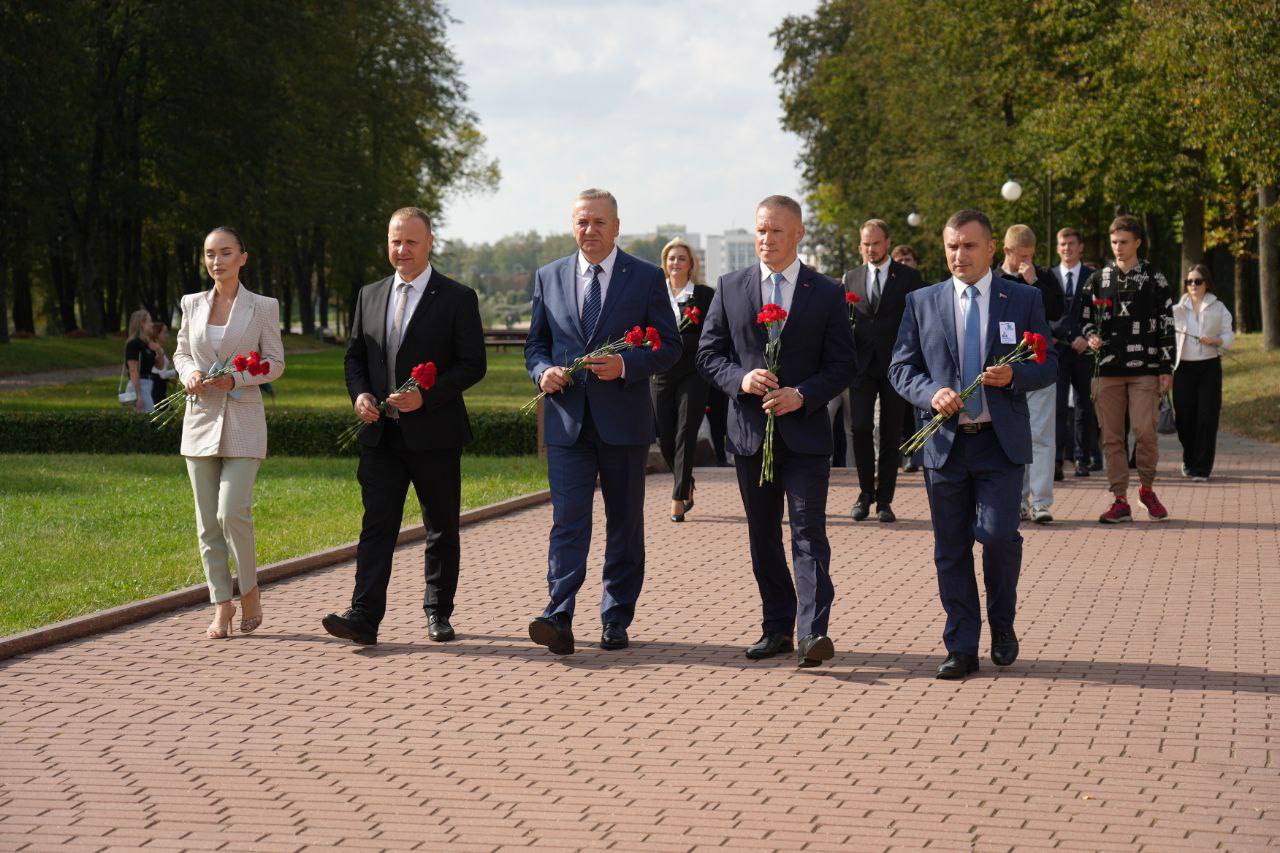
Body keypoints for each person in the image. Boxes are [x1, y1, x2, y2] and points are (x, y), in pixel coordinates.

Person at [890, 209, 1057, 680]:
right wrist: (930, 393)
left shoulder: (1022, 299)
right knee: (951, 547)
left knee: (999, 535)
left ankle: (1002, 625)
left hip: (998, 444)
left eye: (967, 246)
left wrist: (1015, 375)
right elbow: (901, 368)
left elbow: (1048, 363)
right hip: (944, 446)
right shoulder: (922, 301)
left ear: (989, 250)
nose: (958, 255)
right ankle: (962, 645)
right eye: (951, 246)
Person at [696, 195, 856, 668]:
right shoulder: (730, 286)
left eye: (776, 231)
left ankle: (813, 633)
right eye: (761, 231)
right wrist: (740, 380)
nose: (766, 240)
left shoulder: (825, 291)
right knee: (762, 537)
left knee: (808, 534)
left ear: (798, 234)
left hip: (805, 435)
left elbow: (844, 364)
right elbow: (708, 354)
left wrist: (803, 394)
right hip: (749, 435)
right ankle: (776, 629)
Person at [524, 189, 680, 655]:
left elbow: (668, 346)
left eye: (597, 223)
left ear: (616, 227)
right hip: (568, 422)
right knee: (568, 521)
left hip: (623, 423)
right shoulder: (548, 276)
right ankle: (559, 614)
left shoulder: (647, 278)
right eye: (581, 222)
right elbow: (536, 345)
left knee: (624, 522)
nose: (588, 230)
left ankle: (615, 616)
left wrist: (627, 365)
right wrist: (542, 371)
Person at [322, 207, 487, 646]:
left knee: (440, 526)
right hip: (381, 435)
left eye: (411, 242)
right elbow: (354, 357)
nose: (402, 250)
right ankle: (364, 616)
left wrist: (425, 397)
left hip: (435, 433)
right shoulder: (369, 295)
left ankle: (438, 612)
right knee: (377, 525)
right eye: (396, 241)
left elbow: (474, 364)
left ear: (430, 242)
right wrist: (359, 395)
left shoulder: (457, 297)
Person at [173, 227, 285, 639]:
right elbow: (182, 351)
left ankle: (250, 590)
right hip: (199, 421)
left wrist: (235, 378)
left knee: (231, 510)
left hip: (244, 422)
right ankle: (222, 605)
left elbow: (274, 363)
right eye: (209, 254)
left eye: (225, 253)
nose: (216, 261)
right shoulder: (191, 304)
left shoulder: (263, 307)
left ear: (243, 257)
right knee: (206, 523)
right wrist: (190, 373)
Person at [1080, 215, 1175, 523]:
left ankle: (1146, 489)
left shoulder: (1154, 278)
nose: (1118, 248)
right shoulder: (1098, 279)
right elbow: (1082, 317)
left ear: (1137, 242)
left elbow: (1167, 323)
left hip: (1145, 366)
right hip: (1106, 370)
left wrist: (1166, 366)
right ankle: (1119, 499)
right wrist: (1090, 334)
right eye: (1114, 242)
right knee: (1111, 437)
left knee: (1145, 431)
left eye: (1123, 242)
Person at [842, 219, 926, 522]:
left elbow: (920, 321)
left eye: (876, 243)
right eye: (865, 244)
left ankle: (885, 501)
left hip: (896, 367)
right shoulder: (850, 278)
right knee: (861, 428)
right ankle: (865, 493)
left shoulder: (908, 277)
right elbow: (843, 321)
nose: (870, 249)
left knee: (891, 434)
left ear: (887, 242)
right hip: (861, 367)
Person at [996, 225, 1064, 523]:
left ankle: (1041, 501)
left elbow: (1058, 310)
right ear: (1007, 251)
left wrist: (1033, 281)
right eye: (1022, 256)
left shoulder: (1043, 277)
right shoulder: (993, 280)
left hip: (1037, 368)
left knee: (1041, 435)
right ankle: (1017, 499)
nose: (1027, 261)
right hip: (1006, 370)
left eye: (1031, 256)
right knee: (1012, 435)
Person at [651, 237, 715, 521]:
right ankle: (686, 481)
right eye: (671, 258)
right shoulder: (653, 294)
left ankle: (678, 497)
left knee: (686, 432)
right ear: (665, 263)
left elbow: (708, 337)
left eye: (681, 259)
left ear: (691, 264)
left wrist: (676, 341)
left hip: (693, 373)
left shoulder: (704, 295)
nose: (676, 263)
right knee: (665, 438)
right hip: (661, 373)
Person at [1173, 263, 1233, 481]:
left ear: (1206, 283)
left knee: (1207, 418)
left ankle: (1202, 468)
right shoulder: (1178, 309)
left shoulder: (1218, 307)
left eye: (1198, 281)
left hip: (1209, 367)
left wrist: (1216, 340)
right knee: (1184, 419)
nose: (1193, 285)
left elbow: (1229, 337)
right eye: (1189, 282)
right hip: (1183, 369)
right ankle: (1189, 459)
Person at [1051, 228, 1100, 477]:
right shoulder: (1048, 277)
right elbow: (1048, 314)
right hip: (1059, 350)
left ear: (1080, 247)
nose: (1067, 248)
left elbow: (1098, 311)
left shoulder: (1093, 276)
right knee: (1058, 407)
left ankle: (1082, 458)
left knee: (1084, 406)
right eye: (1063, 244)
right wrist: (1071, 337)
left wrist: (1087, 336)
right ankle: (1057, 460)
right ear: (1057, 247)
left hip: (1085, 352)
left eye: (1071, 243)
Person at [124, 309, 165, 414]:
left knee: (148, 417)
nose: (152, 325)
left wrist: (159, 351)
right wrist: (138, 396)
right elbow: (133, 370)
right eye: (149, 321)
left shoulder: (146, 343)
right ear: (142, 323)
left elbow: (160, 366)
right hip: (138, 386)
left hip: (147, 384)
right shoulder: (133, 344)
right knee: (148, 417)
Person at [150, 322, 177, 407]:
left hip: (160, 388)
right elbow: (160, 373)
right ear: (157, 334)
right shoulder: (156, 350)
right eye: (164, 332)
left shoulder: (159, 349)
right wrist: (177, 371)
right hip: (155, 389)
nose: (167, 335)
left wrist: (169, 379)